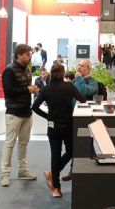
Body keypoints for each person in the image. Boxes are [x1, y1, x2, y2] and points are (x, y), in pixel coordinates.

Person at [31, 64, 87, 198]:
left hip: (53, 127)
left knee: (55, 155)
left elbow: (34, 107)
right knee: (71, 151)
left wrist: (48, 116)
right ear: (63, 73)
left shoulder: (46, 89)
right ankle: (53, 173)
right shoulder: (69, 86)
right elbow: (83, 99)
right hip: (68, 125)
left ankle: (56, 188)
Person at [0, 44, 40, 187]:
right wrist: (27, 89)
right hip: (14, 112)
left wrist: (32, 89)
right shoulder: (9, 70)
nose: (30, 57)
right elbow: (8, 91)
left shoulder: (27, 69)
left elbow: (24, 88)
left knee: (23, 144)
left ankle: (23, 171)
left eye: (30, 54)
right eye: (28, 55)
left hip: (26, 112)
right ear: (19, 55)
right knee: (9, 144)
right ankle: (5, 174)